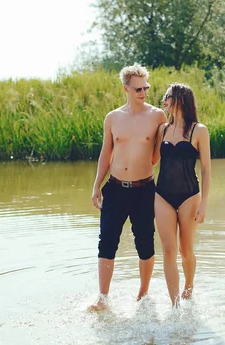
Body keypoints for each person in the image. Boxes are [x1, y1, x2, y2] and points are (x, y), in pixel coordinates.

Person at [90, 63, 167, 311]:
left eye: (146, 88)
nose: (143, 93)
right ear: (126, 88)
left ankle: (143, 294)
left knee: (145, 242)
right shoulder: (113, 118)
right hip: (114, 188)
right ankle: (103, 299)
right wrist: (96, 186)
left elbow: (157, 156)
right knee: (106, 242)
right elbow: (106, 153)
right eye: (137, 89)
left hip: (144, 189)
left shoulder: (157, 116)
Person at [154, 83, 211, 307]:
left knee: (186, 250)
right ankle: (174, 304)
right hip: (162, 195)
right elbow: (151, 159)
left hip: (189, 196)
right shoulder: (162, 130)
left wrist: (204, 203)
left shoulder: (199, 130)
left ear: (179, 99)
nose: (163, 101)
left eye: (167, 97)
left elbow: (206, 168)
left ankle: (189, 287)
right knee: (169, 249)